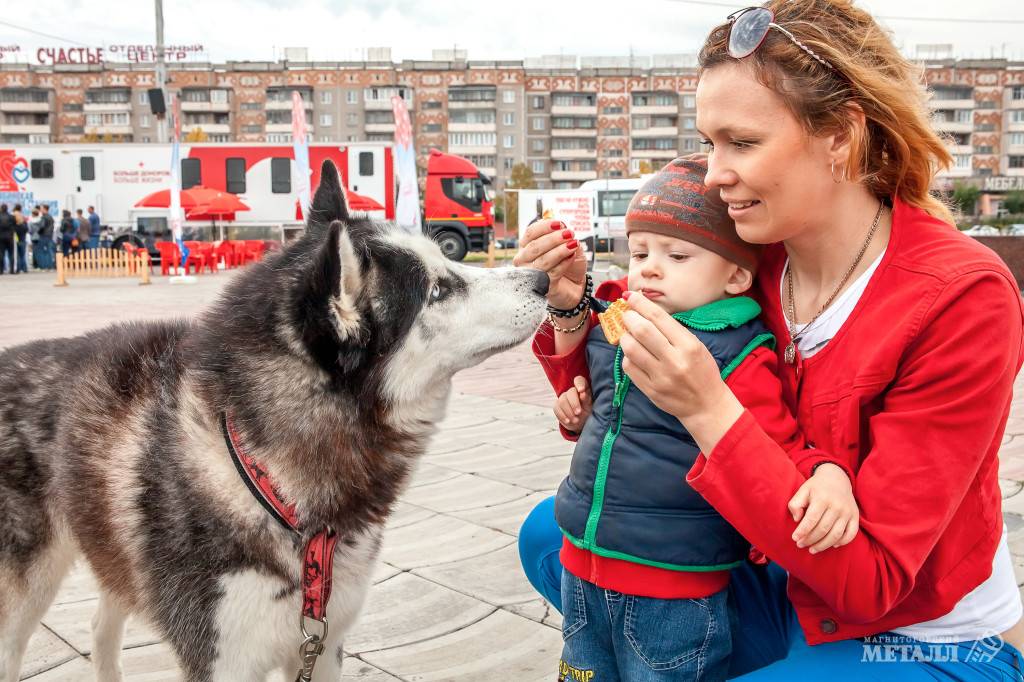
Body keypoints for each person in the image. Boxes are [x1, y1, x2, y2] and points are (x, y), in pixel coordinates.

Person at [514, 1, 1024, 679]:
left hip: (912, 631)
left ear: (840, 135)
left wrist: (707, 409)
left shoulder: (962, 295)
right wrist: (570, 304)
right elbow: (621, 402)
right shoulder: (752, 258)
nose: (714, 173)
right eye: (709, 142)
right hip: (780, 580)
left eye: (742, 143)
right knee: (551, 535)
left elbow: (870, 581)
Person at [547, 157, 858, 682]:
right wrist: (571, 406)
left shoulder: (736, 354)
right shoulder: (617, 323)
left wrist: (827, 473)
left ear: (736, 275)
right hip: (581, 563)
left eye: (678, 255)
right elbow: (594, 391)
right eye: (640, 251)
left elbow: (774, 444)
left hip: (673, 585)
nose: (648, 268)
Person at [36, 204, 55, 270]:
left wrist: (38, 231)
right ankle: (50, 266)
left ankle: (43, 266)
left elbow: (42, 226)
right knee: (49, 251)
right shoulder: (50, 217)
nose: (40, 210)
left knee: (41, 251)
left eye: (41, 208)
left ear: (44, 209)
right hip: (49, 235)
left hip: (44, 235)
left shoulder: (44, 217)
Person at [12, 203, 28, 273]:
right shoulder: (24, 224)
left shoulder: (14, 226)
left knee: (17, 255)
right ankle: (24, 268)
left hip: (16, 240)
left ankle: (18, 268)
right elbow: (27, 230)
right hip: (22, 239)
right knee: (22, 255)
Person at [0, 204, 15, 274]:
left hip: (1, 238)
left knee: (1, 254)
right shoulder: (11, 217)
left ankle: (1, 270)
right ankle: (11, 270)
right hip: (10, 237)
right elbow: (14, 226)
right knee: (11, 254)